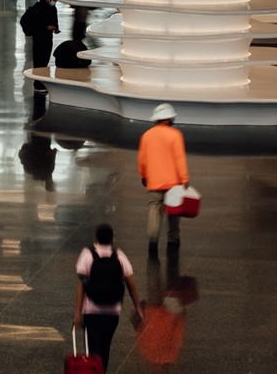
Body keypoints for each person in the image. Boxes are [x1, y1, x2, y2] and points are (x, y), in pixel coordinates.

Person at [73, 222, 137, 368]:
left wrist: (77, 312)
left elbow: (81, 285)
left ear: (95, 238)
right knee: (105, 346)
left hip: (91, 312)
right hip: (112, 312)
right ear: (112, 239)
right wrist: (138, 308)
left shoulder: (87, 254)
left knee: (92, 348)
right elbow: (131, 286)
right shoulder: (119, 255)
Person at [138, 104, 189, 254]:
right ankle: (173, 239)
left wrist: (143, 176)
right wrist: (184, 178)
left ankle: (153, 242)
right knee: (174, 210)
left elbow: (142, 160)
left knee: (154, 209)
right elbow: (180, 159)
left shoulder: (146, 136)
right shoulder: (175, 135)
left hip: (154, 182)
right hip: (173, 183)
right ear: (167, 119)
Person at [19, 0, 60, 74]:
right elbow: (35, 21)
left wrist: (56, 28)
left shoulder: (53, 8)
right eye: (54, 0)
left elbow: (55, 20)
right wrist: (46, 27)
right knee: (38, 59)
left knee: (46, 58)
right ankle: (37, 78)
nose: (54, 2)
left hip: (48, 37)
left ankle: (43, 76)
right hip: (39, 37)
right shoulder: (39, 7)